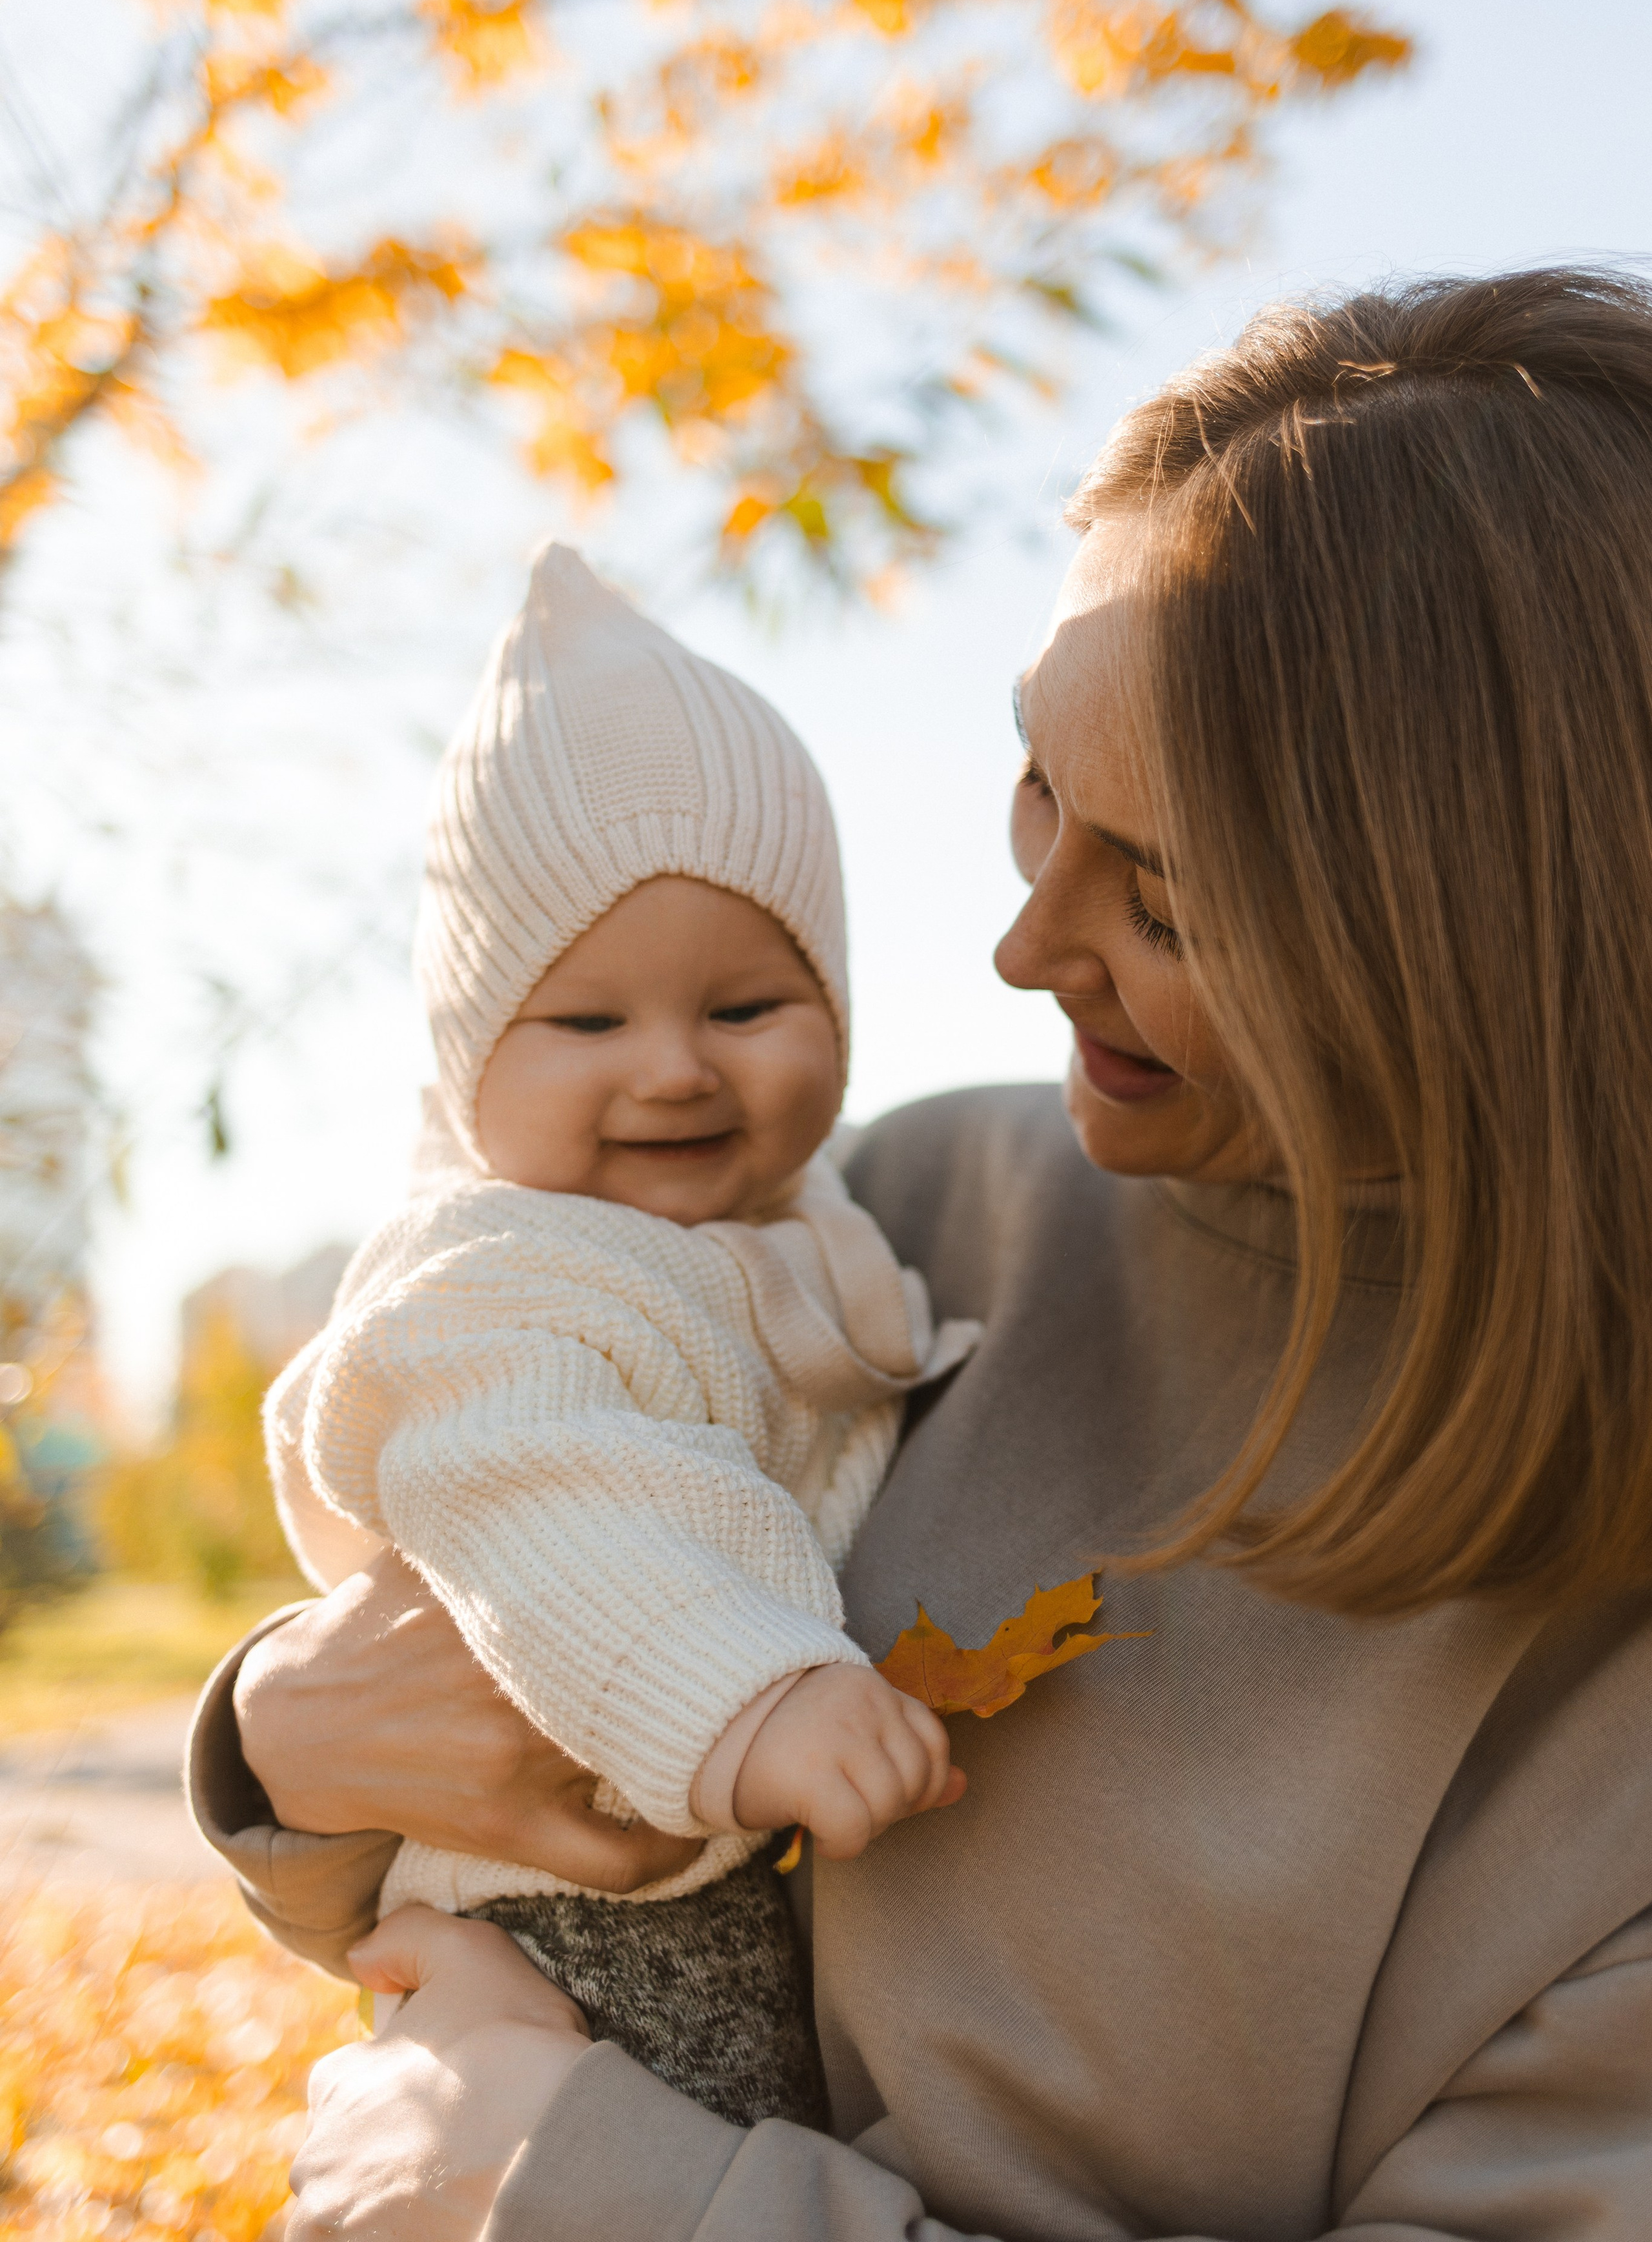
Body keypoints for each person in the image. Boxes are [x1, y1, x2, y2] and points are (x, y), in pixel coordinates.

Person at [192, 267, 1652, 2241]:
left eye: (1173, 898)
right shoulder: (903, 1206)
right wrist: (277, 1737)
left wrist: (583, 2186)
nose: (1024, 947)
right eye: (1040, 786)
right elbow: (504, 1474)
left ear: (1489, 937)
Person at [259, 543, 974, 2128]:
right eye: (586, 1022)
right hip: (567, 1904)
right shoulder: (498, 1277)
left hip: (724, 1878)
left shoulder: (798, 1231)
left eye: (743, 1010)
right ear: (467, 1061)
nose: (670, 1072)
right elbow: (538, 1491)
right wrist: (757, 1699)